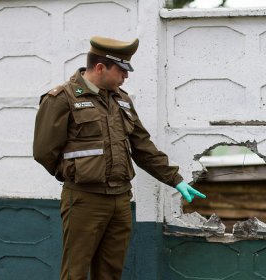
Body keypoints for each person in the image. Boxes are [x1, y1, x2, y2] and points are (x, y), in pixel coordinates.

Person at [33, 36, 206, 280]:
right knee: (75, 272)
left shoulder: (122, 100)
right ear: (101, 68)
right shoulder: (62, 98)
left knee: (111, 273)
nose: (126, 77)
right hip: (84, 200)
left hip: (121, 199)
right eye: (122, 71)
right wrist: (74, 173)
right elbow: (43, 152)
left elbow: (142, 146)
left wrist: (175, 179)